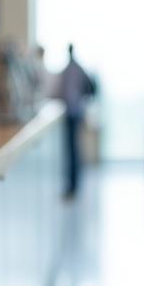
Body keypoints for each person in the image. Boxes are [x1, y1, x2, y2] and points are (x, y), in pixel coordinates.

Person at [57, 44, 95, 198]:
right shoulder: (78, 68)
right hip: (77, 111)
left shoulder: (70, 69)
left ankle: (73, 186)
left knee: (72, 150)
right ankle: (74, 185)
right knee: (74, 149)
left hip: (72, 113)